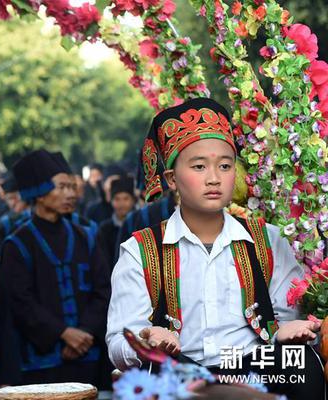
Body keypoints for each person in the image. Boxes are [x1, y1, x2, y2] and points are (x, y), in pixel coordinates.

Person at [106, 98, 324, 398]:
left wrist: (285, 334)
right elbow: (119, 342)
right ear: (172, 179)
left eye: (224, 166)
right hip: (181, 372)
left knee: (303, 365)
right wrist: (144, 341)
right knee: (158, 372)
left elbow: (289, 322)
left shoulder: (268, 240)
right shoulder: (141, 251)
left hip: (254, 368)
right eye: (199, 166)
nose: (213, 178)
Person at [0, 149, 110, 387]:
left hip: (89, 354)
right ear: (39, 194)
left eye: (71, 187)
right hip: (41, 362)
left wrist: (85, 332)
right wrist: (63, 333)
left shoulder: (86, 237)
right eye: (62, 187)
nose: (71, 194)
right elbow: (21, 302)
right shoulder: (17, 244)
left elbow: (103, 290)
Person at [96, 176, 137, 269]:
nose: (121, 204)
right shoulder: (104, 229)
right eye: (117, 199)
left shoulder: (139, 225)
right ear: (111, 201)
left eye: (126, 199)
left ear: (133, 201)